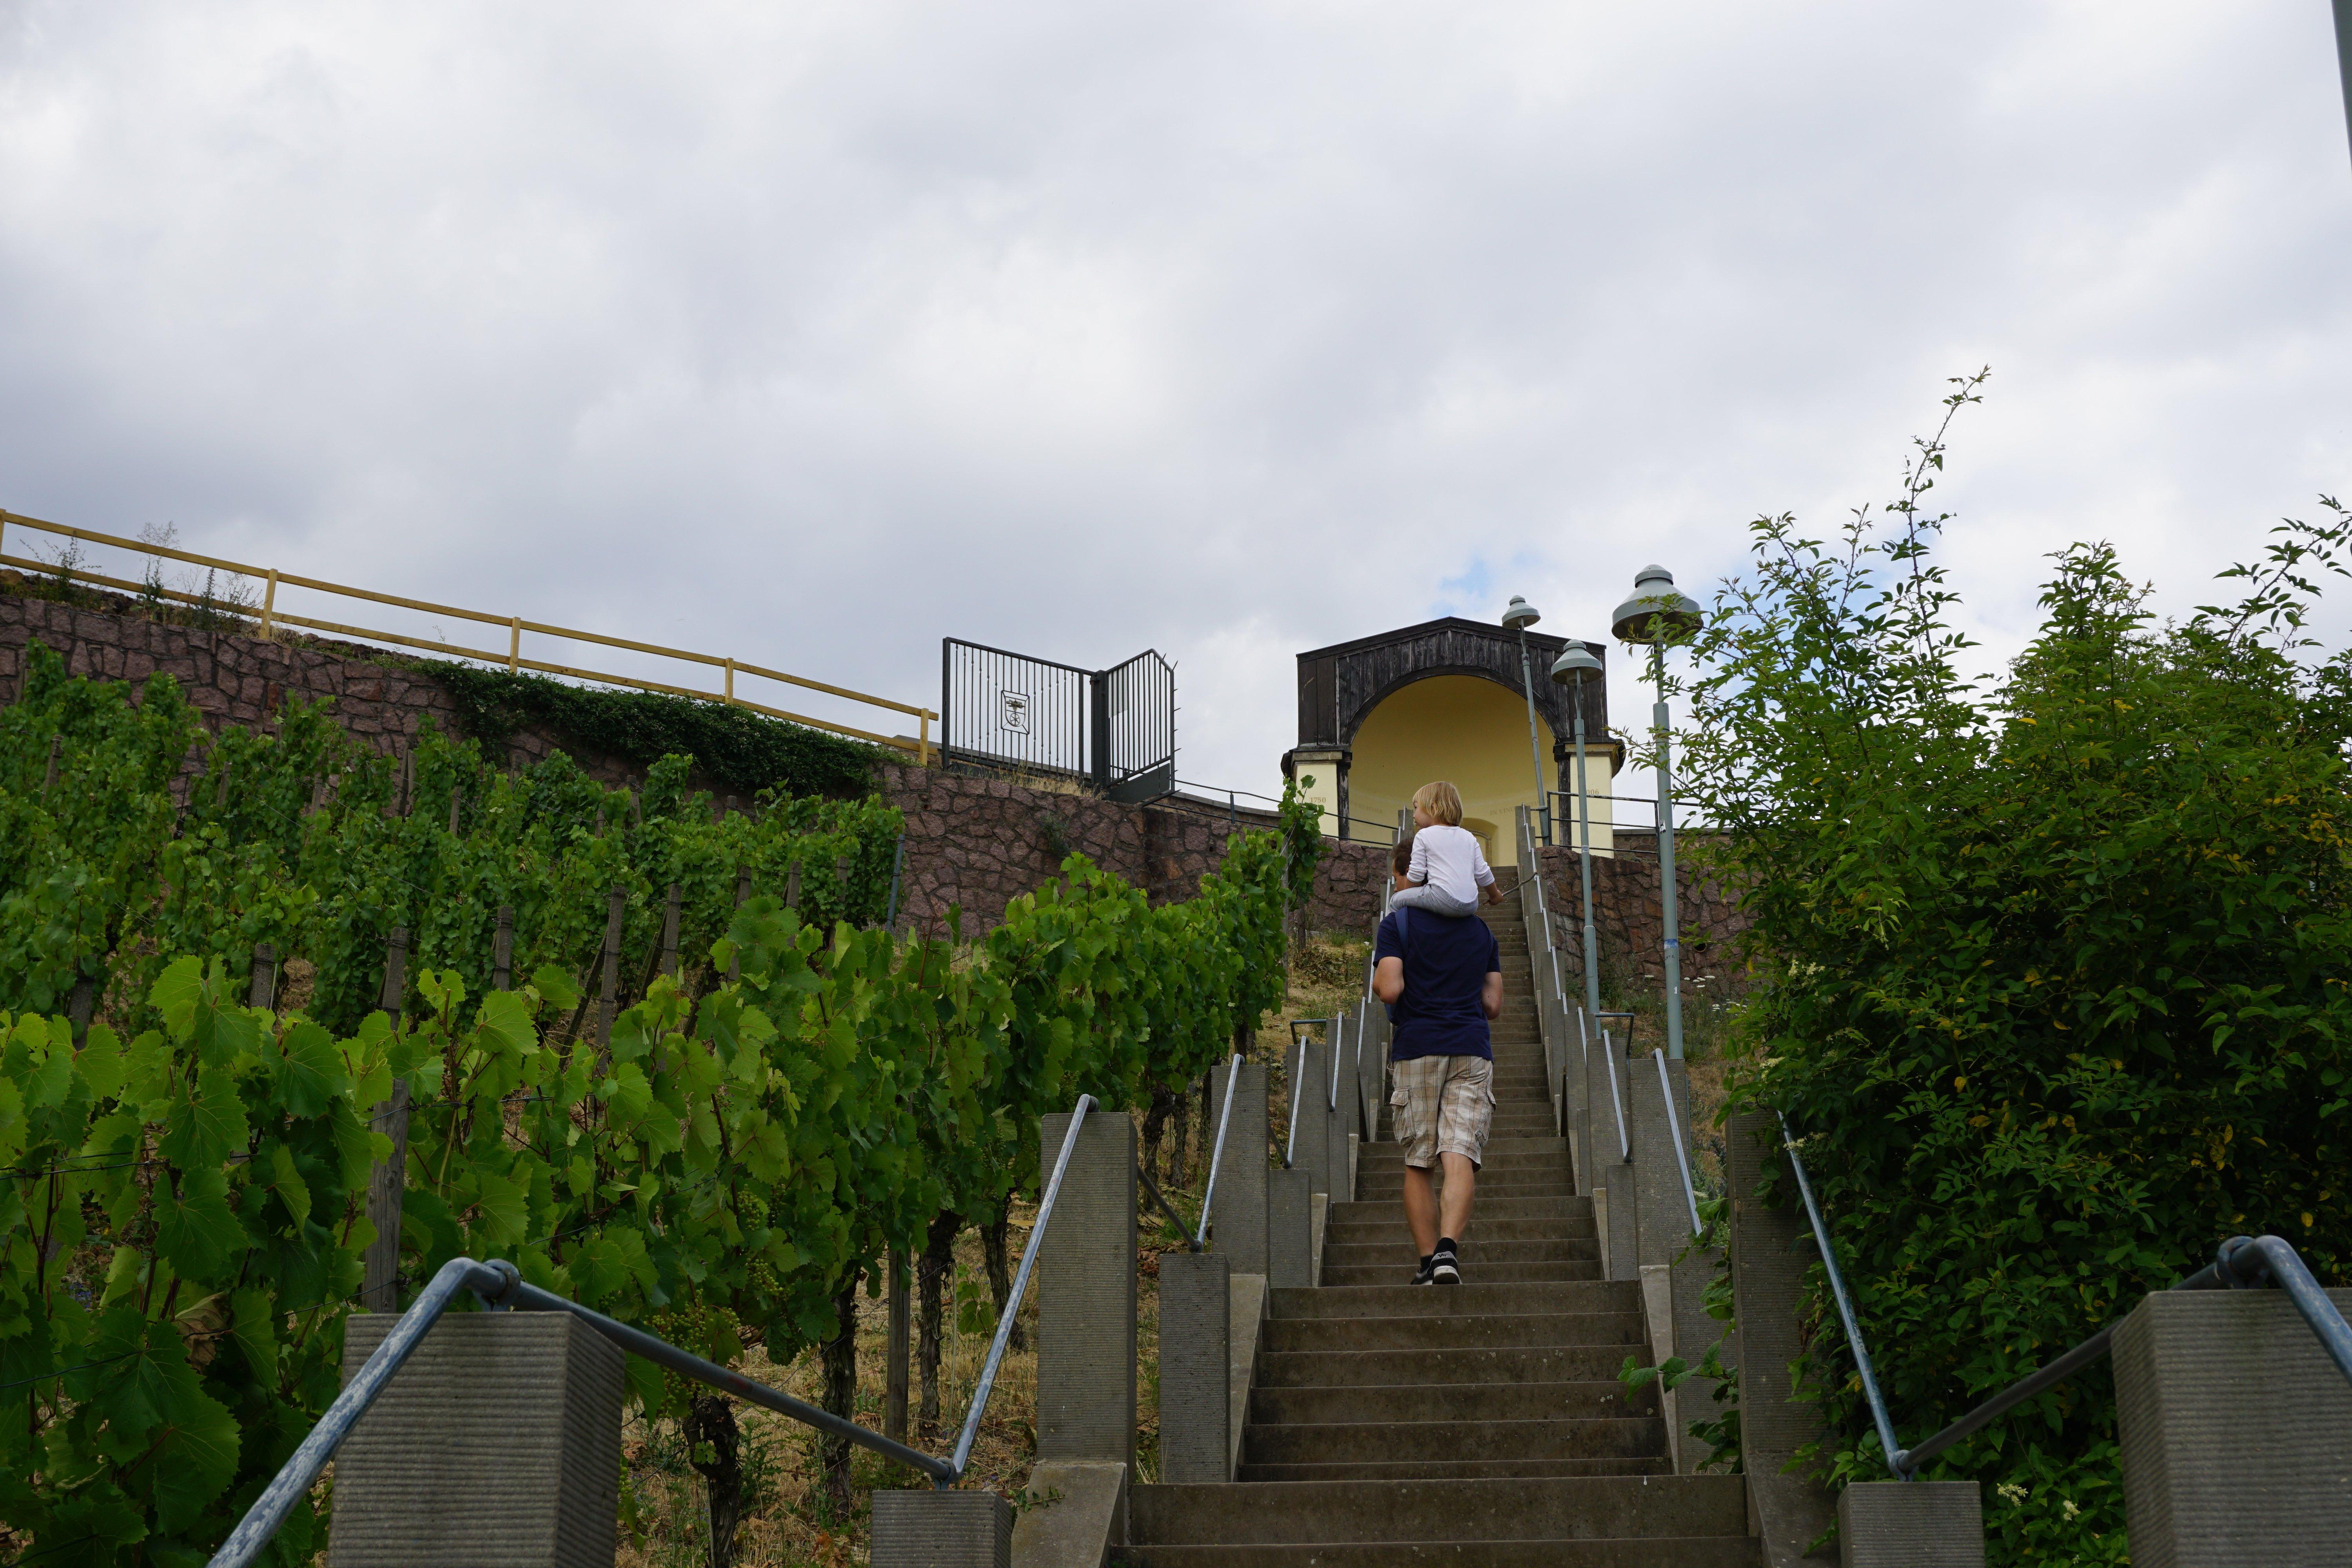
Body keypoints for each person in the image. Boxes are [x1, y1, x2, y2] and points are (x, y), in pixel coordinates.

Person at [1372, 829, 1503, 1285]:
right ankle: (1449, 1250)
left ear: (1407, 874)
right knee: (1459, 1151)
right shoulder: (1481, 930)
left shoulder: (1397, 926)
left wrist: (1383, 983)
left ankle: (1428, 1261)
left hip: (1418, 1047)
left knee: (1419, 1161)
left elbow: (1391, 988)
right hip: (1471, 1047)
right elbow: (1493, 1004)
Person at [1387, 780, 1505, 918]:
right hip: (1471, 904)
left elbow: (1417, 874)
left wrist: (1406, 895)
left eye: (1416, 808)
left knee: (1396, 900)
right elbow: (1483, 873)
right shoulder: (1469, 837)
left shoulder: (1424, 836)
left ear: (1433, 808)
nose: (1414, 815)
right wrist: (1495, 895)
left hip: (1442, 898)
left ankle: (1389, 936)